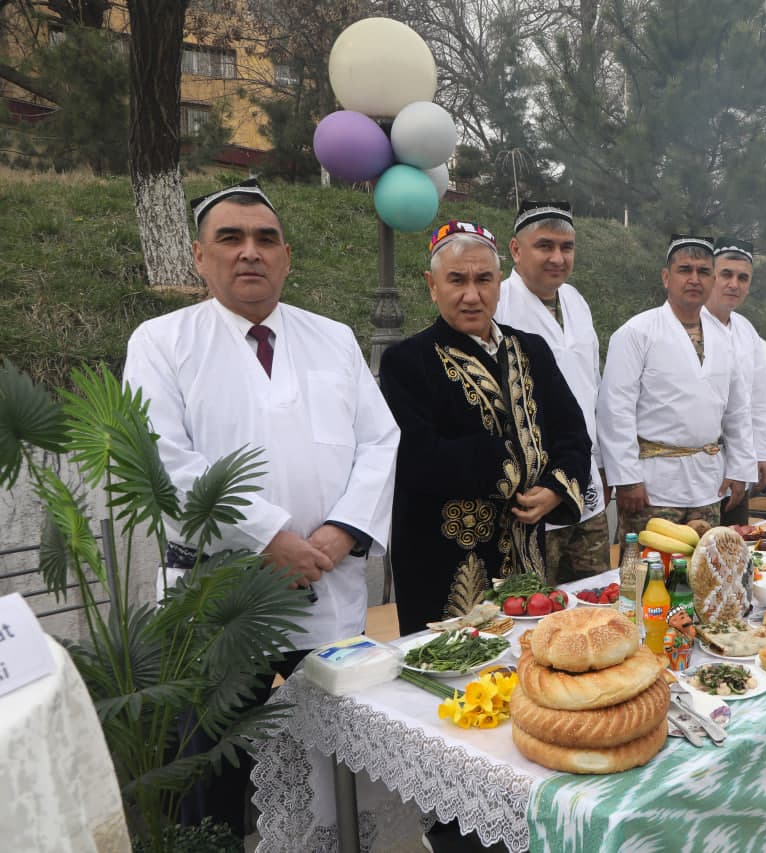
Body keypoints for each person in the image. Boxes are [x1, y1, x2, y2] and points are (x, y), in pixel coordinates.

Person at [122, 179, 401, 835]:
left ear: (287, 256)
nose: (250, 251)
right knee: (211, 775)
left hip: (327, 592)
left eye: (265, 239)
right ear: (199, 255)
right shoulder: (162, 342)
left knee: (330, 763)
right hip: (220, 603)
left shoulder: (331, 338)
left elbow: (380, 438)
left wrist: (341, 533)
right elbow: (164, 458)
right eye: (231, 238)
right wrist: (271, 536)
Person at [380, 221, 592, 635]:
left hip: (526, 547)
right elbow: (419, 456)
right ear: (432, 285)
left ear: (499, 283)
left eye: (484, 279)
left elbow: (572, 433)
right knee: (451, 669)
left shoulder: (531, 349)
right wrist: (517, 469)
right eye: (456, 280)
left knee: (524, 657)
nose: (472, 295)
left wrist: (554, 488)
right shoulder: (407, 361)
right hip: (444, 553)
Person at [597, 234, 755, 538]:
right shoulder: (636, 333)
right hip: (652, 488)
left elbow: (737, 410)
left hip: (708, 483)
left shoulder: (724, 338)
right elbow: (614, 410)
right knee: (646, 576)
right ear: (666, 277)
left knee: (705, 573)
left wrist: (739, 469)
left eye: (704, 271)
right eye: (685, 270)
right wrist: (627, 479)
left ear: (711, 280)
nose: (695, 279)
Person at [493, 201, 608, 581]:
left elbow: (592, 387)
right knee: (537, 607)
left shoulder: (576, 301)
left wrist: (603, 464)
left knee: (595, 599)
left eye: (567, 247)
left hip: (583, 475)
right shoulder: (498, 305)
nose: (558, 257)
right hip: (532, 489)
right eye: (545, 246)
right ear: (515, 249)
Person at [703, 236, 766, 525]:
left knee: (734, 547)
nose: (734, 284)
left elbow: (759, 396)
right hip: (699, 460)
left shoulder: (746, 329)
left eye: (743, 278)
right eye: (727, 274)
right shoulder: (690, 324)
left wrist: (762, 454)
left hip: (741, 458)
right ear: (711, 276)